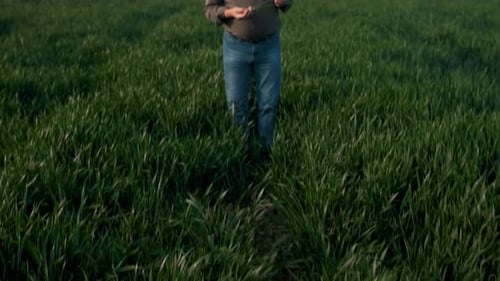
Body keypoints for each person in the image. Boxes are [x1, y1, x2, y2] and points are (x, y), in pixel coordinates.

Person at [204, 0, 293, 157]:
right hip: (235, 47)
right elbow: (210, 10)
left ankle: (267, 152)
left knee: (268, 103)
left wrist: (282, 2)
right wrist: (229, 13)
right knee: (236, 104)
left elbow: (286, 4)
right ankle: (239, 152)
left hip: (269, 46)